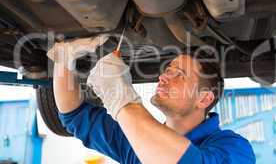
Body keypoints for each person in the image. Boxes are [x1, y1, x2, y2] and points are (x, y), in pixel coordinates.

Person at [48, 36, 256, 164]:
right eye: (168, 70)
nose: (164, 76)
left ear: (204, 99)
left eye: (179, 75)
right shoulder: (137, 141)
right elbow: (75, 116)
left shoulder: (235, 148)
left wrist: (121, 98)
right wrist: (64, 59)